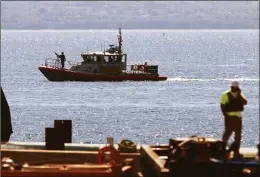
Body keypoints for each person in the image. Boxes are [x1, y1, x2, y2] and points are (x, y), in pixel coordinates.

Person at [220, 81, 247, 158]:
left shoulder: (239, 94)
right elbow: (222, 106)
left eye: (235, 87)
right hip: (230, 117)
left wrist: (239, 94)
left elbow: (245, 102)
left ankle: (236, 152)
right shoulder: (225, 94)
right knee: (227, 133)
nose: (234, 88)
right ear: (230, 87)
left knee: (238, 135)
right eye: (233, 87)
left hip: (238, 117)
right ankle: (222, 150)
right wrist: (225, 115)